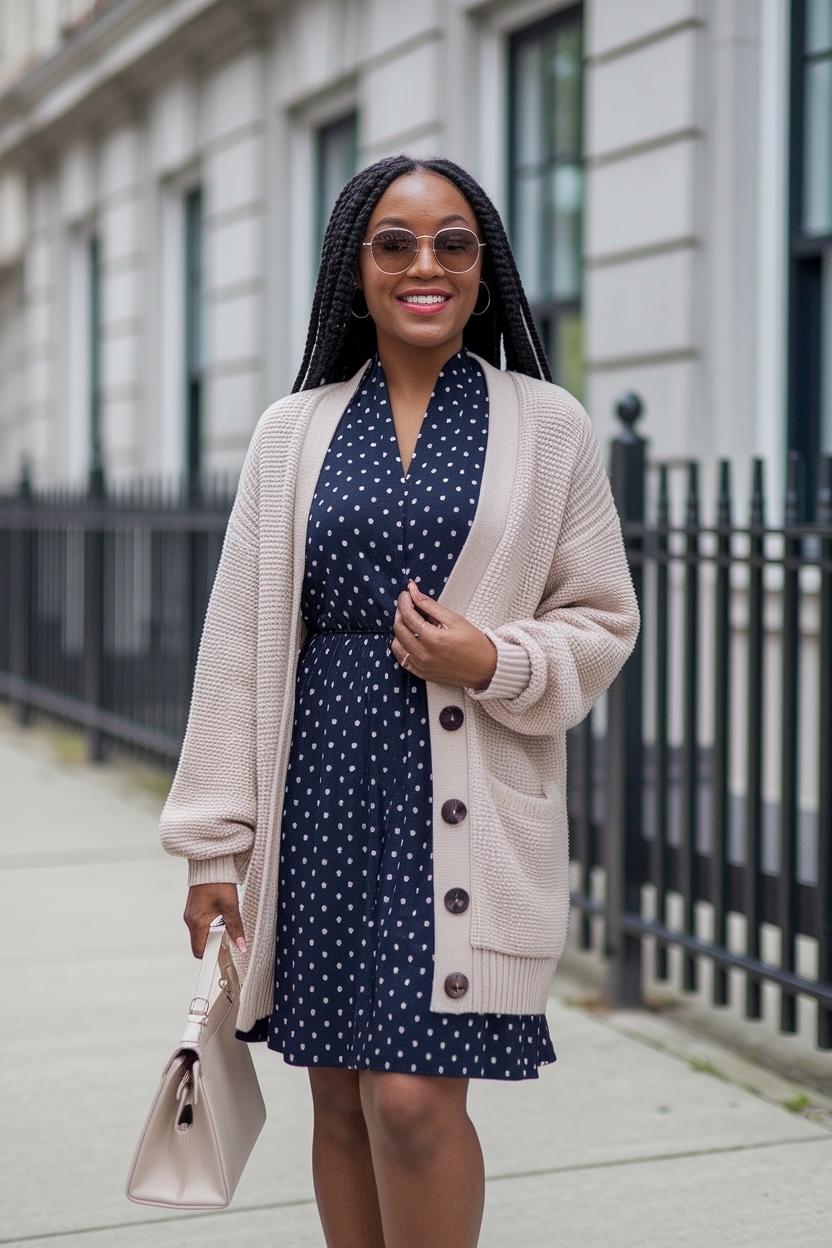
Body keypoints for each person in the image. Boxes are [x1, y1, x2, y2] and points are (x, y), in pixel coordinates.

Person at [160, 154, 639, 1248]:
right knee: (336, 1097)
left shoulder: (546, 423)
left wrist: (494, 660)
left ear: (484, 266)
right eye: (396, 242)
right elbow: (236, 648)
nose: (426, 265)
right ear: (356, 266)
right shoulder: (295, 431)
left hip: (459, 805)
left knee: (414, 1102)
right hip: (320, 790)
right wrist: (210, 850)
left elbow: (603, 617)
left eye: (453, 242)